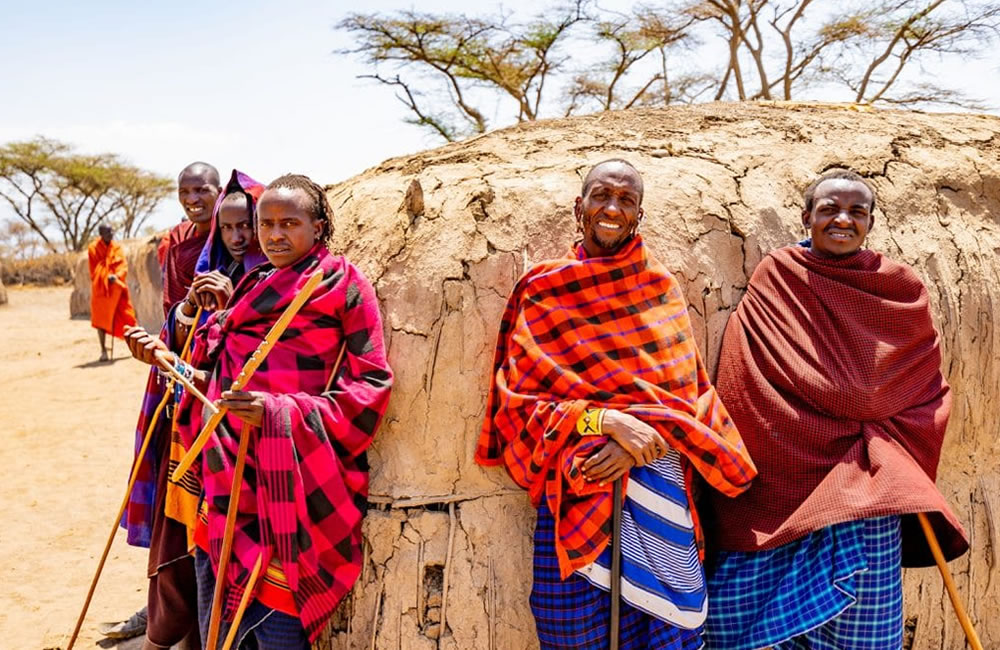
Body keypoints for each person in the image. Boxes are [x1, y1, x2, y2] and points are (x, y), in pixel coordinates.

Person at [476, 159, 757, 649]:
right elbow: (517, 405)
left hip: (658, 487)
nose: (612, 208)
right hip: (579, 484)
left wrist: (634, 443)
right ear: (578, 207)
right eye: (601, 196)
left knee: (668, 630)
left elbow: (685, 400)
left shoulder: (658, 288)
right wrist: (603, 419)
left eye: (626, 200)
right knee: (569, 629)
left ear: (639, 214)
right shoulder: (544, 289)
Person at [703, 169, 969, 650]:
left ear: (870, 222)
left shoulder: (899, 287)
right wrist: (844, 407)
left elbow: (923, 388)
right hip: (782, 480)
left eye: (856, 212)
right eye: (828, 209)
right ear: (806, 217)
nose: (842, 220)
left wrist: (868, 413)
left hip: (867, 488)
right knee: (732, 625)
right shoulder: (779, 276)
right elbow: (747, 382)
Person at [126, 173, 393, 648]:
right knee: (220, 628)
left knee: (276, 630)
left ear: (319, 226)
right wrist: (167, 360)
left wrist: (279, 413)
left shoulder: (342, 285)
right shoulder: (253, 284)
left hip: (293, 487)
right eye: (264, 224)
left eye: (289, 223)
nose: (273, 235)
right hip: (226, 484)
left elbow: (371, 386)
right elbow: (219, 382)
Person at [160, 162, 222, 318]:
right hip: (185, 327)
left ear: (220, 193)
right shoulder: (178, 235)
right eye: (184, 192)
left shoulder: (233, 234)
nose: (192, 199)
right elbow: (172, 298)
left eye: (202, 190)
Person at [87, 223, 137, 361]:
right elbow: (94, 271)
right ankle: (103, 351)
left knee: (128, 317)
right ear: (101, 234)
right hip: (101, 289)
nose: (111, 234)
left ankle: (135, 347)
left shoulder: (117, 248)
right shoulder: (93, 249)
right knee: (101, 320)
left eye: (112, 231)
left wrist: (116, 276)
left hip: (117, 287)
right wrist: (105, 276)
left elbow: (123, 266)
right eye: (108, 232)